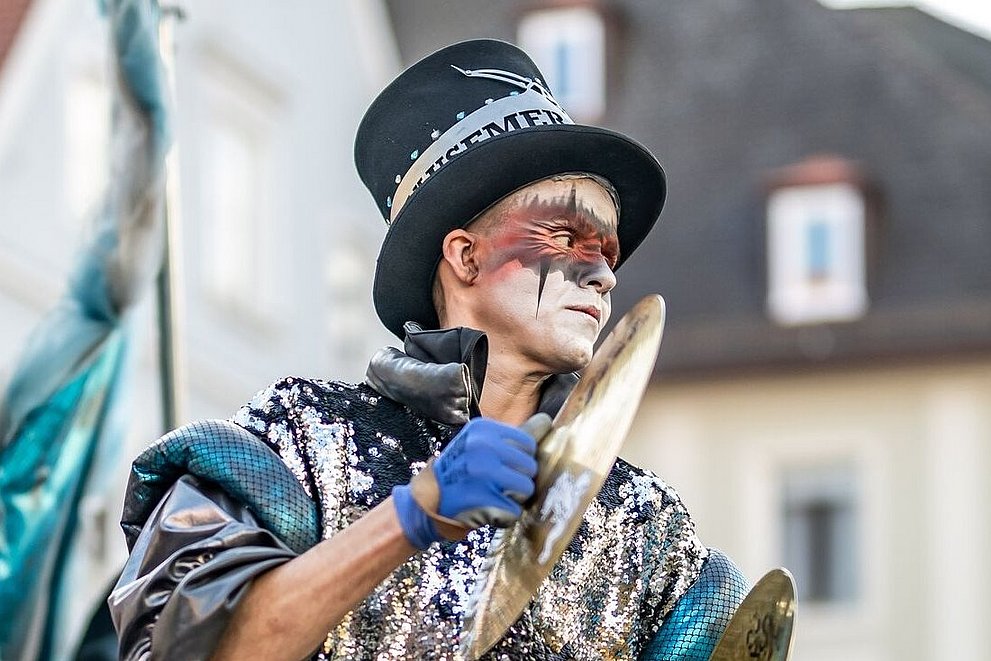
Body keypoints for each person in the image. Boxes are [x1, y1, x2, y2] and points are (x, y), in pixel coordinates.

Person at [109, 39, 747, 660]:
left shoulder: (643, 519)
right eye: (564, 238)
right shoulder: (302, 440)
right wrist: (414, 513)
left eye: (607, 255)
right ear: (465, 256)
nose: (603, 275)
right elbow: (182, 647)